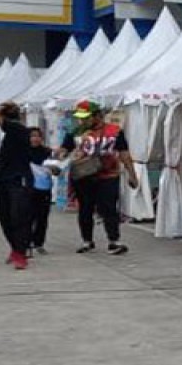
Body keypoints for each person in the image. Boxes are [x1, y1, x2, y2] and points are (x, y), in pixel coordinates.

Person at [61, 100, 138, 255]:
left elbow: (124, 153)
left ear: (98, 116)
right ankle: (87, 241)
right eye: (80, 117)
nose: (82, 120)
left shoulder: (115, 131)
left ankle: (114, 241)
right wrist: (61, 156)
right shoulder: (75, 132)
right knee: (85, 209)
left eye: (86, 117)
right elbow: (64, 149)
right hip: (83, 177)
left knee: (109, 208)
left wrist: (132, 175)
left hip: (108, 175)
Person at [0, 102, 32, 270]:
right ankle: (15, 249)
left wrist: (5, 104)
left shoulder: (17, 128)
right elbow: (8, 154)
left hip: (17, 180)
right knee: (4, 217)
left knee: (18, 216)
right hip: (3, 179)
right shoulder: (12, 134)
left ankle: (21, 253)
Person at [27, 127, 54, 256]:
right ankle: (26, 243)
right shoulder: (23, 152)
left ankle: (39, 243)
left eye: (37, 136)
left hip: (44, 188)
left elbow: (56, 169)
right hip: (28, 188)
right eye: (32, 136)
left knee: (42, 217)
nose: (35, 138)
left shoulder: (47, 152)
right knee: (28, 217)